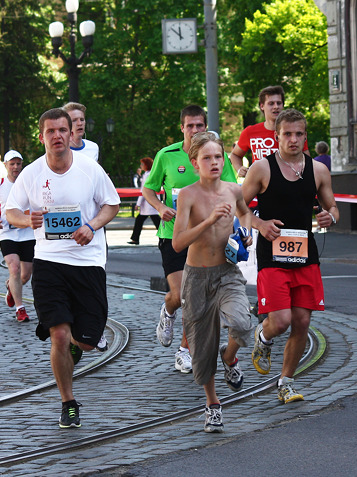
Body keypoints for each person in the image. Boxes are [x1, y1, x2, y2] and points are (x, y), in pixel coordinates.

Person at [5, 108, 120, 428]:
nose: (56, 136)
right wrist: (26, 220)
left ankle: (76, 344)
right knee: (57, 334)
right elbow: (10, 209)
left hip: (88, 262)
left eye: (61, 130)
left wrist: (93, 226)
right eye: (50, 131)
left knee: (85, 340)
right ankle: (68, 402)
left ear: (71, 135)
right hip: (49, 261)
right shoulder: (31, 173)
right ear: (41, 137)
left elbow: (112, 204)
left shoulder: (90, 169)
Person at [241, 109, 339, 403]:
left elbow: (333, 208)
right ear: (277, 136)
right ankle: (263, 336)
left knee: (302, 323)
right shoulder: (262, 168)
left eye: (299, 134)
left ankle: (286, 382)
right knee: (280, 320)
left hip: (305, 254)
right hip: (272, 254)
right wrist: (260, 224)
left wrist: (329, 218)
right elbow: (238, 206)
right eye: (287, 134)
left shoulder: (318, 171)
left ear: (305, 137)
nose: (293, 139)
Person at [172, 132, 258, 432]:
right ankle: (212, 405)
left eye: (218, 157)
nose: (214, 162)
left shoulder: (234, 191)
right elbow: (177, 243)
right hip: (196, 278)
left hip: (227, 273)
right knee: (201, 349)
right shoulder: (187, 195)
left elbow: (246, 214)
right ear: (195, 163)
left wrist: (246, 233)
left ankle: (230, 358)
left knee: (243, 323)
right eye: (206, 158)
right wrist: (207, 221)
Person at [143, 105, 238, 374]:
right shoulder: (167, 155)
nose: (195, 131)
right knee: (179, 295)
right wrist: (161, 208)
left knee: (194, 297)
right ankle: (168, 310)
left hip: (207, 238)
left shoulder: (216, 155)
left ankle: (184, 351)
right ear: (181, 128)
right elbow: (149, 189)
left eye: (200, 126)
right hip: (174, 235)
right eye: (190, 126)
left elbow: (232, 189)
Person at [0, 150, 35, 322]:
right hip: (7, 233)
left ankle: (11, 287)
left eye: (18, 163)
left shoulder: (30, 183)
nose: (16, 167)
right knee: (14, 268)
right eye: (12, 164)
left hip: (27, 233)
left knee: (25, 275)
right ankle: (20, 309)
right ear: (5, 165)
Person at [229, 85, 309, 178]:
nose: (276, 107)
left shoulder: (294, 133)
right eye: (271, 103)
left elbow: (306, 161)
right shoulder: (250, 132)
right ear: (262, 106)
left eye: (279, 103)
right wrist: (239, 168)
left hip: (287, 185)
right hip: (259, 187)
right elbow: (235, 155)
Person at [129, 157, 161, 245]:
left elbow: (144, 190)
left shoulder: (148, 175)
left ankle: (164, 238)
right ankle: (135, 238)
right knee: (143, 220)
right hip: (149, 202)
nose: (141, 166)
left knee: (155, 222)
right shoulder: (149, 174)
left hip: (149, 202)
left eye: (142, 164)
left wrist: (138, 203)